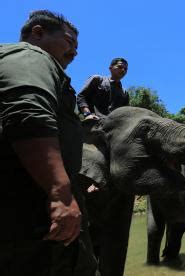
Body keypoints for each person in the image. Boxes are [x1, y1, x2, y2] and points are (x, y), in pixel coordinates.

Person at [0, 10, 95, 275]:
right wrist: (59, 193)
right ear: (38, 33)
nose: (74, 51)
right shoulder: (32, 56)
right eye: (69, 42)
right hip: (33, 219)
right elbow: (27, 114)